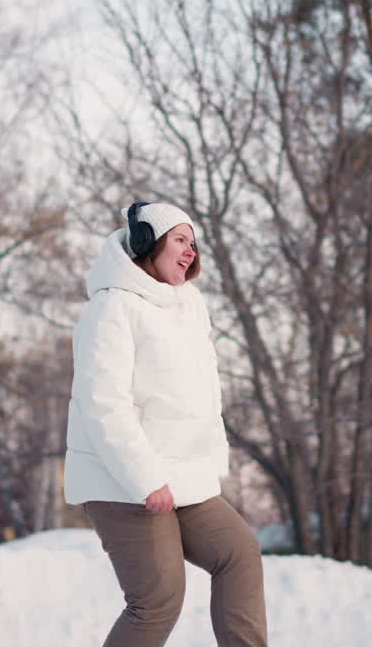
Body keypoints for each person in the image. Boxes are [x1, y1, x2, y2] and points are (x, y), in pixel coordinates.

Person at [64, 201, 268, 647]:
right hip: (123, 481)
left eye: (193, 243)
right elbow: (104, 405)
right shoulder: (111, 308)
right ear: (146, 244)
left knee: (239, 553)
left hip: (180, 477)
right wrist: (145, 478)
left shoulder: (187, 307)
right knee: (157, 598)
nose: (190, 250)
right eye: (179, 239)